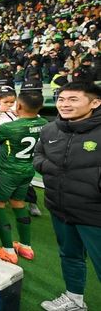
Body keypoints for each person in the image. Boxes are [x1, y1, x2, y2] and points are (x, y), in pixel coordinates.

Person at [34, 82, 101, 311]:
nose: (64, 104)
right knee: (70, 256)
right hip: (59, 207)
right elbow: (38, 156)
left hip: (94, 213)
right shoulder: (49, 129)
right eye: (61, 99)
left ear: (95, 102)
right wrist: (50, 168)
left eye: (73, 99)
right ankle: (75, 300)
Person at [0, 91, 47, 264]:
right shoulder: (45, 124)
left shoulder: (9, 127)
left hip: (6, 172)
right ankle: (26, 246)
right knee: (18, 204)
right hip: (27, 170)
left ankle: (8, 250)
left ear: (18, 106)